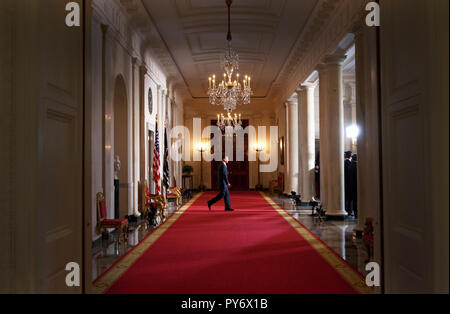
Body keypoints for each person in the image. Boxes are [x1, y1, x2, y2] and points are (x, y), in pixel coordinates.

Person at [344, 151, 353, 216]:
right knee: (349, 198)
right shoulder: (349, 163)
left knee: (346, 198)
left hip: (345, 183)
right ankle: (349, 211)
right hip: (350, 183)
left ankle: (347, 210)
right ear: (350, 156)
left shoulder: (344, 163)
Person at [349, 154, 358, 218]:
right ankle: (357, 214)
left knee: (353, 200)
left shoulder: (350, 165)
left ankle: (355, 213)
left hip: (351, 185)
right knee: (356, 200)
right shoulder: (356, 166)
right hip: (355, 185)